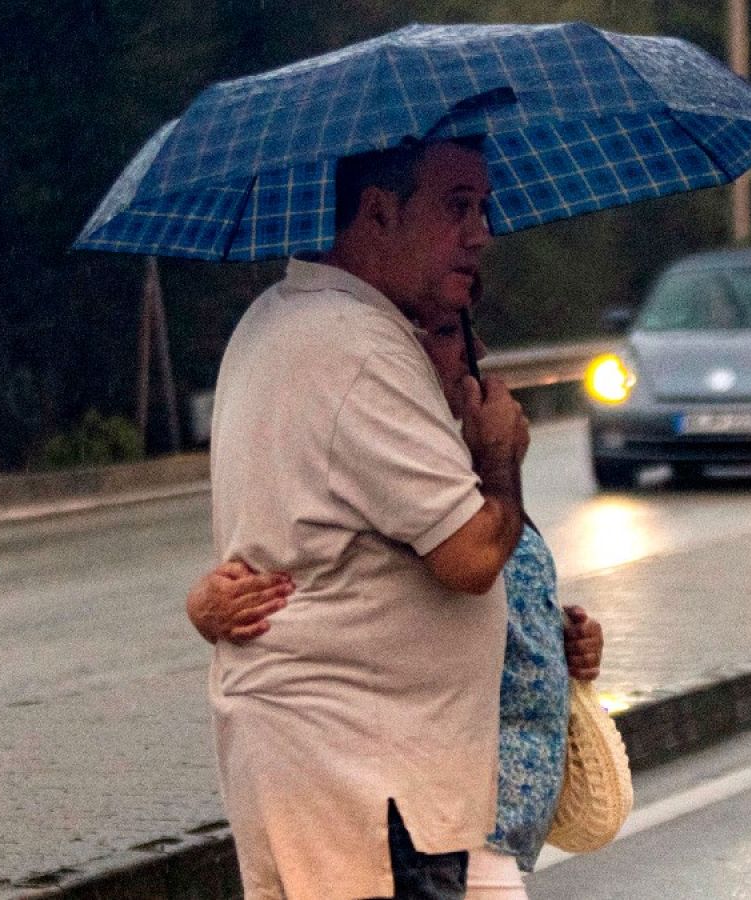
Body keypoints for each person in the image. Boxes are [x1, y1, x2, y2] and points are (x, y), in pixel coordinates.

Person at [204, 136, 529, 899]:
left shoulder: (280, 317)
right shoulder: (356, 346)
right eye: (456, 207)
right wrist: (501, 456)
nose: (480, 231)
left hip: (344, 766)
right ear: (379, 213)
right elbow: (471, 558)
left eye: (483, 207)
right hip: (366, 777)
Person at [190, 305, 606, 898]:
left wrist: (567, 637)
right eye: (445, 331)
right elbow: (337, 579)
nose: (475, 349)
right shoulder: (403, 445)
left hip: (491, 805)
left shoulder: (457, 469)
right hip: (447, 807)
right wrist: (203, 608)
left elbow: (481, 598)